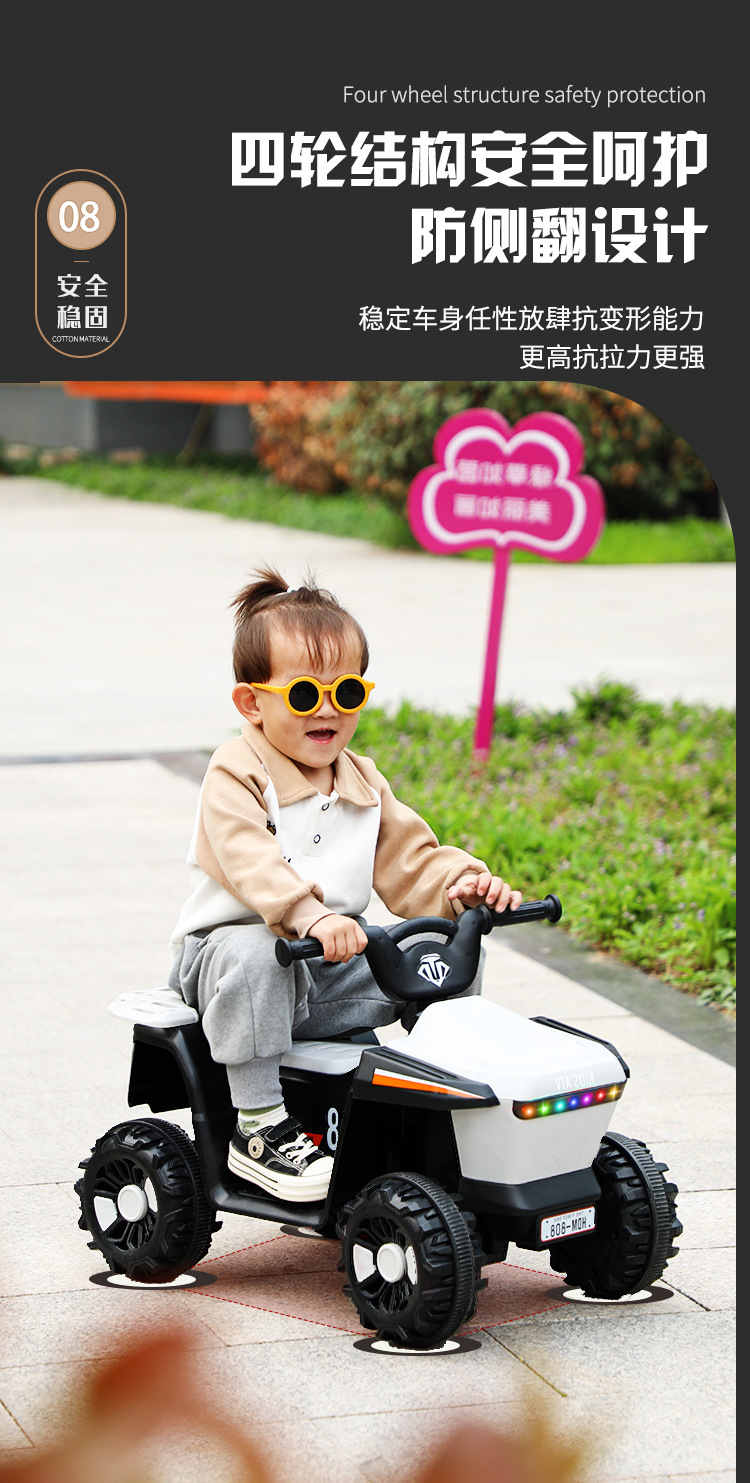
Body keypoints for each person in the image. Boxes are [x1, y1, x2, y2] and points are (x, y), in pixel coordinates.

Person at [169, 567, 522, 1203]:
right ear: (252, 703)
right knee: (256, 955)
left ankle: (449, 1091)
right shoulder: (237, 771)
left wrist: (462, 887)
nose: (328, 708)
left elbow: (410, 860)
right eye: (305, 694)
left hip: (330, 960)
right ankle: (257, 1126)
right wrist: (308, 915)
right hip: (227, 960)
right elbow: (250, 860)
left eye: (347, 691)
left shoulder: (361, 779)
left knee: (438, 951)